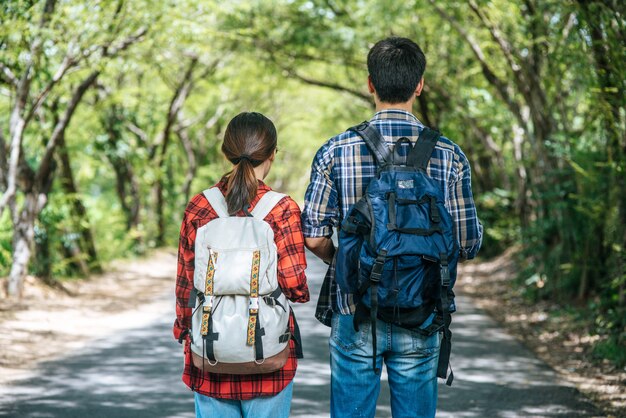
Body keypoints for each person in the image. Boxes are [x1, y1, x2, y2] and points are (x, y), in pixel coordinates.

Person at [302, 37, 483, 417]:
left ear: (370, 83)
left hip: (354, 308)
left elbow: (314, 234)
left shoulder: (337, 149)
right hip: (423, 306)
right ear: (419, 85)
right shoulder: (449, 154)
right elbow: (466, 242)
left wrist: (350, 263)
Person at [173, 112, 309, 418]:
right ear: (273, 153)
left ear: (226, 152)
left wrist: (184, 328)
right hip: (268, 353)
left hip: (210, 352)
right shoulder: (282, 209)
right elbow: (295, 286)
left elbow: (185, 283)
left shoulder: (200, 206)